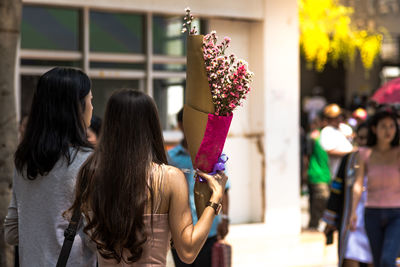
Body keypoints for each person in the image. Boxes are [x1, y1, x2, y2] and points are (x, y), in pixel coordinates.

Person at [69, 89, 228, 266]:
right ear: (152, 125)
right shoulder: (169, 177)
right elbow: (188, 251)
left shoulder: (89, 174)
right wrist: (215, 200)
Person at [4, 67, 96, 267]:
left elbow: (11, 232)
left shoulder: (24, 159)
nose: (92, 107)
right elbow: (95, 238)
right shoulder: (89, 161)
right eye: (90, 99)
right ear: (76, 107)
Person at [169, 108, 230, 267]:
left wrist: (224, 218)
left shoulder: (214, 155)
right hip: (180, 230)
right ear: (181, 125)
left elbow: (224, 188)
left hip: (208, 229)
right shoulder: (171, 157)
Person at [350, 110, 400, 267]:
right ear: (374, 129)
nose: (388, 131)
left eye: (392, 126)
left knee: (387, 259)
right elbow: (358, 184)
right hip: (372, 213)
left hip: (396, 214)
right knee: (378, 262)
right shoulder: (364, 154)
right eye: (383, 126)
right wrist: (352, 212)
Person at [323, 123, 372, 267]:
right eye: (361, 138)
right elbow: (337, 189)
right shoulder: (349, 160)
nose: (364, 142)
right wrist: (331, 220)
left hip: (375, 217)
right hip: (351, 219)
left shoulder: (382, 160)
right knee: (350, 256)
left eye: (368, 138)